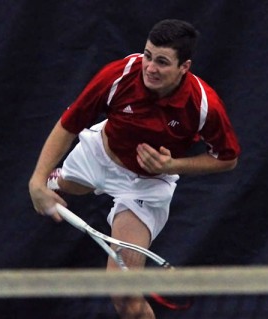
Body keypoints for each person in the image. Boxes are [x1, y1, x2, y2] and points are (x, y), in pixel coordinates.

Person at [28, 19, 241, 318]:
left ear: (184, 67)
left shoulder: (204, 106)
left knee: (125, 297)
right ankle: (60, 179)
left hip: (145, 185)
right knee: (64, 183)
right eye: (148, 55)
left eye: (162, 62)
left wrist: (173, 165)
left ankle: (64, 180)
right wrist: (37, 181)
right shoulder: (119, 75)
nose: (150, 67)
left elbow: (227, 158)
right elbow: (69, 124)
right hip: (100, 153)